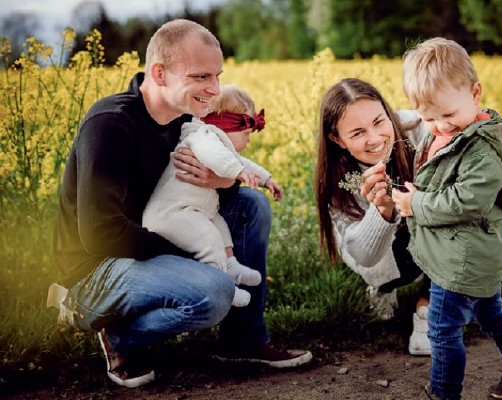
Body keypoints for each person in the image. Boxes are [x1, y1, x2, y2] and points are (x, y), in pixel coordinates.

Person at [47, 19, 312, 389]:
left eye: (217, 76)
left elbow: (200, 197)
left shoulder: (185, 121)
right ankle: (119, 333)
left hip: (156, 233)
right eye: (201, 77)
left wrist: (221, 181)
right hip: (97, 267)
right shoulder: (111, 124)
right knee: (214, 290)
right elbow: (100, 234)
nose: (215, 89)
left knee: (251, 205)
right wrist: (192, 257)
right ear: (159, 73)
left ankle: (242, 340)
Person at [392, 37, 502, 400]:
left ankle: (444, 394)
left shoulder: (485, 150)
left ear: (475, 93)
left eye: (447, 115)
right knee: (491, 313)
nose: (440, 126)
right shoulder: (448, 128)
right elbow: (411, 121)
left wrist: (417, 204)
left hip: (463, 259)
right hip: (466, 253)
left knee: (442, 329)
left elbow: (465, 203)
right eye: (428, 118)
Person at [315, 77, 432, 356]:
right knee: (382, 269)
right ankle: (384, 288)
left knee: (453, 223)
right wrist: (381, 211)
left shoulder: (422, 128)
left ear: (387, 111)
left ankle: (429, 309)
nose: (375, 139)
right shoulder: (337, 179)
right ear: (336, 139)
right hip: (384, 255)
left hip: (432, 231)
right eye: (357, 133)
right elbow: (364, 256)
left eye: (379, 122)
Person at [143, 84, 283, 308]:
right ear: (225, 125)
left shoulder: (218, 142)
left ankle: (230, 264)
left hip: (192, 210)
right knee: (209, 238)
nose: (249, 140)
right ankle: (224, 285)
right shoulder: (203, 136)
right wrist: (237, 173)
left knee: (218, 226)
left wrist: (266, 179)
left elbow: (237, 161)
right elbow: (218, 157)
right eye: (246, 133)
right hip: (171, 214)